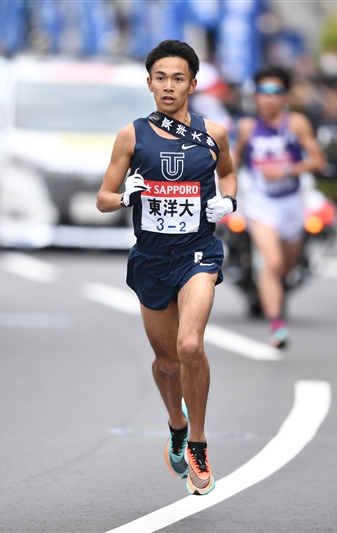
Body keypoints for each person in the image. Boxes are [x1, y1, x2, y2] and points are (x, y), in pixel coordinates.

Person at [96, 40, 237, 496]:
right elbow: (102, 198)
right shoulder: (131, 136)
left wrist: (227, 201)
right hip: (151, 259)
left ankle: (197, 440)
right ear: (149, 83)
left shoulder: (213, 134)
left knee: (191, 344)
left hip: (198, 252)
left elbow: (230, 173)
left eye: (179, 78)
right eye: (161, 77)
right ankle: (176, 424)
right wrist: (126, 196)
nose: (169, 86)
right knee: (168, 361)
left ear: (193, 84)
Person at [231, 66, 325, 348]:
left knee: (285, 266)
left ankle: (274, 295)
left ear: (285, 96)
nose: (269, 98)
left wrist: (287, 170)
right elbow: (232, 162)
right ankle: (277, 327)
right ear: (255, 96)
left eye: (276, 92)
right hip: (260, 203)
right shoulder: (247, 127)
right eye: (263, 92)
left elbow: (317, 160)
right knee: (271, 263)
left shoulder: (296, 124)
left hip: (291, 204)